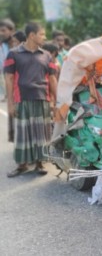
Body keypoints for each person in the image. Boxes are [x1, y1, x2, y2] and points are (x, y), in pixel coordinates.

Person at [4, 22, 58, 177]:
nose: (44, 37)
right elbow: (8, 78)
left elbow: (53, 79)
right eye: (42, 34)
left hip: (42, 99)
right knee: (22, 133)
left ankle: (40, 163)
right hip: (22, 99)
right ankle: (22, 165)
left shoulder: (47, 55)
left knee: (41, 133)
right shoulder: (14, 54)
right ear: (32, 35)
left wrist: (57, 101)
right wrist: (10, 104)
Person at [7, 30, 26, 143]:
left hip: (23, 91)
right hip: (15, 91)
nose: (13, 44)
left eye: (15, 42)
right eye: (12, 42)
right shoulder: (12, 54)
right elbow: (9, 76)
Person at [0, 18, 15, 101]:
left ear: (11, 31)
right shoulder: (3, 44)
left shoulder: (18, 44)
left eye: (3, 30)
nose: (0, 33)